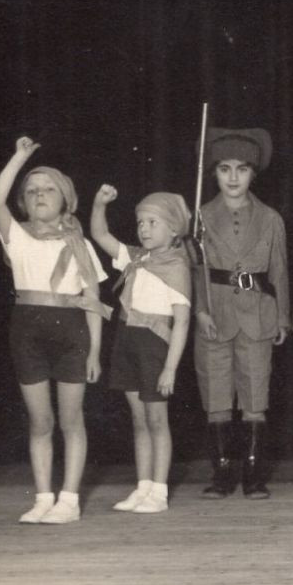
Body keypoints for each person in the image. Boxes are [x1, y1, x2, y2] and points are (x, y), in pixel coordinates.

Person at [0, 137, 108, 525]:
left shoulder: (81, 245)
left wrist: (93, 353)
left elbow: (92, 301)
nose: (40, 194)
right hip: (27, 331)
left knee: (71, 418)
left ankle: (69, 499)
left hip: (72, 332)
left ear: (66, 199)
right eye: (32, 190)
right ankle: (43, 496)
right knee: (40, 420)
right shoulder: (16, 236)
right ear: (24, 201)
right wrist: (20, 156)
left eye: (49, 188)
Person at [190, 128, 290, 500]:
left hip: (257, 315)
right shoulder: (199, 216)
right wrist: (200, 310)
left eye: (242, 169)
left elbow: (279, 269)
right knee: (216, 395)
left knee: (254, 396)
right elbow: (193, 270)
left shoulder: (270, 218)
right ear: (213, 173)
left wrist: (282, 317)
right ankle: (222, 475)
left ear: (253, 173)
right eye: (224, 169)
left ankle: (253, 475)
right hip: (214, 315)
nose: (233, 177)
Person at [90, 186, 193, 514]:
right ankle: (143, 486)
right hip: (126, 341)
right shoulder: (135, 258)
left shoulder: (177, 266)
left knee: (156, 419)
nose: (144, 229)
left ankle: (159, 492)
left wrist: (170, 368)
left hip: (154, 348)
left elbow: (182, 323)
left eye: (153, 222)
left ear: (174, 228)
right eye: (140, 223)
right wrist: (99, 203)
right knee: (138, 420)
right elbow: (99, 233)